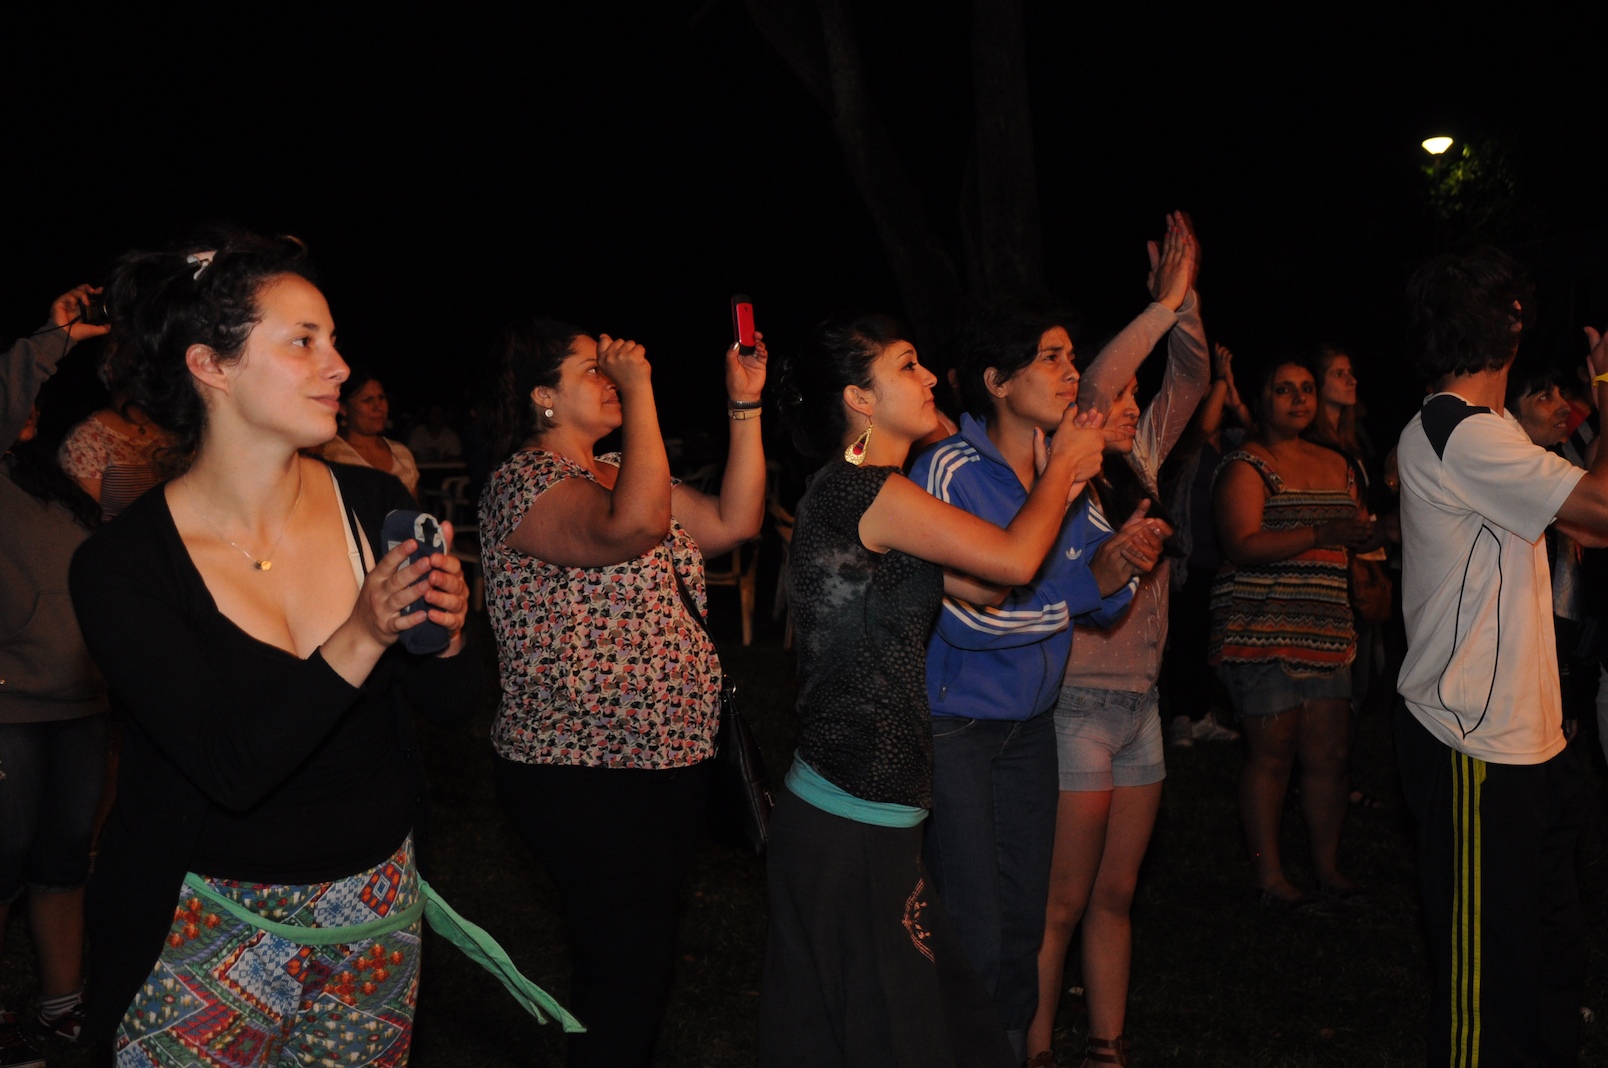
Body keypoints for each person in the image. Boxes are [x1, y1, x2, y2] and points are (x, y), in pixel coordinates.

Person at [67, 230, 476, 1064]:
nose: (339, 366)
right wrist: (362, 632)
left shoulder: (375, 503)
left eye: (333, 339)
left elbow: (453, 706)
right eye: (303, 342)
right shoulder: (123, 565)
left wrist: (448, 635)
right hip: (204, 929)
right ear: (210, 366)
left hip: (376, 917)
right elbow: (231, 767)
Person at [759, 312, 1109, 1068]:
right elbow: (1013, 562)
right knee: (887, 1035)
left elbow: (987, 585)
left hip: (869, 808)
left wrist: (1059, 484)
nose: (928, 379)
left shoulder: (873, 497)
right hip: (850, 813)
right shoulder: (865, 492)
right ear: (860, 399)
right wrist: (1059, 474)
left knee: (889, 1028)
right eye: (907, 365)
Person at [907, 215, 1192, 1068]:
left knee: (1023, 924)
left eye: (1072, 356)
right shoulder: (950, 471)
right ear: (998, 381)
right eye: (1054, 358)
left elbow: (1088, 598)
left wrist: (1121, 561)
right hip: (960, 728)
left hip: (1030, 729)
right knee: (973, 924)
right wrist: (1086, 585)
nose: (1074, 374)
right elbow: (972, 616)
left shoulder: (1057, 469)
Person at [477, 317, 766, 1067]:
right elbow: (632, 529)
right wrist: (640, 393)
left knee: (635, 962)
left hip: (670, 759)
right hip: (582, 767)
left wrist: (744, 405)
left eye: (613, 371)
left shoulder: (619, 469)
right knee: (627, 965)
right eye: (592, 370)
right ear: (543, 396)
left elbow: (734, 522)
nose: (609, 379)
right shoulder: (523, 483)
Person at [1395, 246, 1608, 1066]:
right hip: (1473, 747)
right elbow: (1601, 507)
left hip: (1531, 742)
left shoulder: (1486, 434)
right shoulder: (1460, 431)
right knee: (1487, 990)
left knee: (1546, 965)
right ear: (1511, 325)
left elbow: (1585, 526)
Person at [1030, 217, 1209, 1068]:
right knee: (1060, 904)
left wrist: (1185, 300)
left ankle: (1107, 1049)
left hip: (1141, 707)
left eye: (1139, 398)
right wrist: (1158, 308)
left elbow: (1193, 373)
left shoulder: (1140, 463)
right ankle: (1033, 1051)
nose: (1131, 404)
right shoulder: (1058, 468)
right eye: (1118, 396)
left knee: (1116, 895)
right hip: (1076, 708)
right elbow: (1101, 380)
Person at [1210, 358, 1372, 906]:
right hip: (1261, 631)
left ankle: (1328, 868)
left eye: (1306, 389)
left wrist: (1379, 540)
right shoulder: (1246, 464)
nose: (1299, 399)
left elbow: (1357, 530)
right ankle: (1270, 877)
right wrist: (1320, 533)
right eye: (1284, 390)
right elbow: (1241, 544)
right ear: (1261, 400)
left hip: (1325, 629)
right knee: (1272, 755)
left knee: (1330, 756)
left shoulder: (1338, 463)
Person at [0, 285, 110, 1068]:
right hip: (11, 705)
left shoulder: (50, 483)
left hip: (82, 699)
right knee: (1, 865)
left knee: (66, 860)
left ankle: (62, 1005)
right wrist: (55, 336)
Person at [319, 369, 420, 497]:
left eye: (381, 398)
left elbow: (414, 506)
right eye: (367, 400)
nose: (378, 407)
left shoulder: (401, 454)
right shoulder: (330, 453)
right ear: (343, 408)